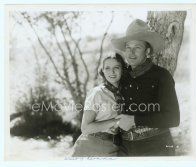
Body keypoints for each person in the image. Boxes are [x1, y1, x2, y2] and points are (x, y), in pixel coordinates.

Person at [111, 19, 180, 156]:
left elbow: (173, 118)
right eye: (128, 48)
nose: (131, 53)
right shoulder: (122, 77)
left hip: (156, 147)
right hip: (125, 149)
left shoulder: (162, 76)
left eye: (137, 48)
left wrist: (134, 120)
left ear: (147, 51)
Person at [71, 54, 127, 157]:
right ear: (103, 71)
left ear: (122, 69)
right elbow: (85, 128)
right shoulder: (97, 93)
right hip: (91, 146)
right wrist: (116, 122)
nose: (112, 72)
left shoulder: (127, 93)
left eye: (116, 68)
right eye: (107, 68)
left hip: (114, 147)